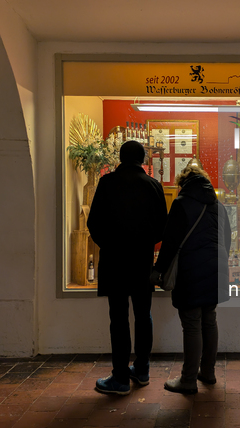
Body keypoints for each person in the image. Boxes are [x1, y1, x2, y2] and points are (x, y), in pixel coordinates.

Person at [87, 140, 167, 395]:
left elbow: (94, 223)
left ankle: (120, 377)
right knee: (144, 316)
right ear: (143, 159)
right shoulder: (153, 186)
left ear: (120, 158)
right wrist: (143, 244)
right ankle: (142, 370)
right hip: (141, 261)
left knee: (118, 318)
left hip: (114, 261)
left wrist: (110, 244)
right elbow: (161, 228)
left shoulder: (107, 183)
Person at [152, 165, 231, 394]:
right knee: (209, 319)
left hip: (191, 269)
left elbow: (170, 243)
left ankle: (188, 380)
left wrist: (158, 270)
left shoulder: (181, 204)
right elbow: (226, 239)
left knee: (192, 324)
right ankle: (208, 372)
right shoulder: (219, 205)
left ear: (183, 183)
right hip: (216, 269)